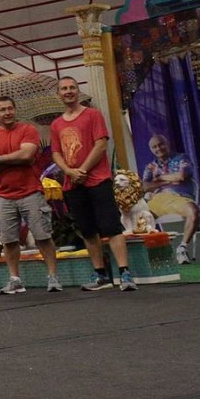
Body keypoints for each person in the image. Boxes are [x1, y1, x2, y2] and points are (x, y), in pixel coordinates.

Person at [51, 77, 134, 292]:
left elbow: (101, 145)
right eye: (64, 89)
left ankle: (125, 273)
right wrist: (69, 171)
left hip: (98, 180)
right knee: (87, 230)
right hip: (73, 185)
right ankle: (100, 275)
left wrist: (83, 170)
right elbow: (56, 153)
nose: (68, 91)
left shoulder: (93, 115)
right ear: (59, 94)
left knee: (111, 226)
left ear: (78, 91)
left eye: (72, 87)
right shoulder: (56, 124)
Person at [0, 96, 61, 294]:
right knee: (9, 241)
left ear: (15, 109)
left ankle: (53, 277)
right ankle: (15, 280)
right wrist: (12, 159)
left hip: (31, 191)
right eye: (2, 110)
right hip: (3, 195)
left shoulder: (28, 130)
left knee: (42, 236)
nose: (7, 112)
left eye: (10, 108)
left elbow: (27, 155)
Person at [141, 134, 200, 262]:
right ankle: (150, 255)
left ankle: (182, 248)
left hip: (180, 198)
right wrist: (168, 181)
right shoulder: (150, 166)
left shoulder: (181, 158)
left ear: (167, 144)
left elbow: (182, 176)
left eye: (161, 144)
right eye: (154, 147)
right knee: (140, 218)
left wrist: (160, 177)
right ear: (151, 149)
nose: (158, 148)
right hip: (158, 201)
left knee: (194, 211)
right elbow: (145, 186)